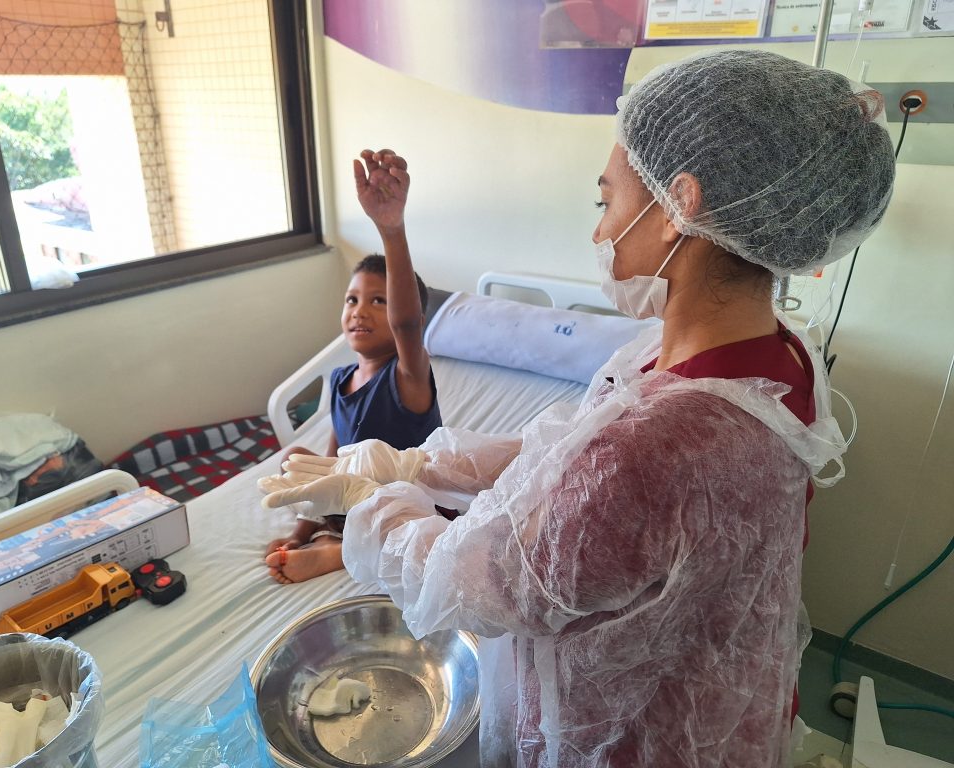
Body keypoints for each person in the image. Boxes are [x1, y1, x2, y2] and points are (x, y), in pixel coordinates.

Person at [260, 50, 896, 766]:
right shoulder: (769, 356)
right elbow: (567, 459)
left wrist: (371, 505)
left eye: (607, 201)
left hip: (636, 739)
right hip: (726, 697)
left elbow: (479, 583)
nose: (599, 232)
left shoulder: (662, 446)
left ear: (679, 206)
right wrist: (416, 465)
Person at [261, 149, 442, 585]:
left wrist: (391, 230)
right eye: (352, 299)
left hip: (405, 504)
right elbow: (331, 464)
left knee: (395, 507)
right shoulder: (341, 379)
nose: (359, 310)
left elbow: (405, 324)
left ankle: (339, 552)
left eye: (378, 301)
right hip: (352, 499)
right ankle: (332, 536)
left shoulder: (407, 378)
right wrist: (299, 531)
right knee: (295, 460)